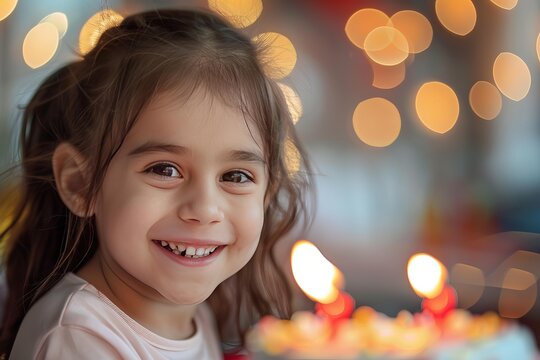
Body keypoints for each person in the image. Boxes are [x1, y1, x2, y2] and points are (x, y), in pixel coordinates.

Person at [0, 8, 312, 359]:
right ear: (81, 183)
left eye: (235, 176)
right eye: (164, 170)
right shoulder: (78, 337)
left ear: (267, 193)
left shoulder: (197, 318)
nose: (205, 209)